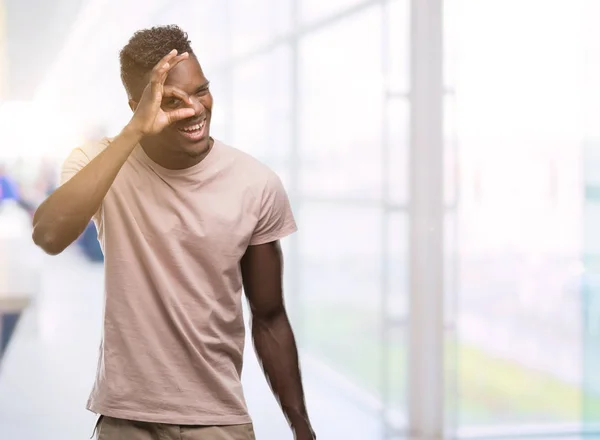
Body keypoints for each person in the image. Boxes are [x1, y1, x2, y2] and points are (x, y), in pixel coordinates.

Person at [32, 25, 315, 440]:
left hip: (218, 418)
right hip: (125, 417)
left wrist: (302, 428)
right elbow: (49, 235)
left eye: (201, 91)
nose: (195, 110)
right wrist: (134, 133)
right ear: (138, 106)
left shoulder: (256, 184)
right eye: (172, 101)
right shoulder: (97, 161)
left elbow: (270, 317)